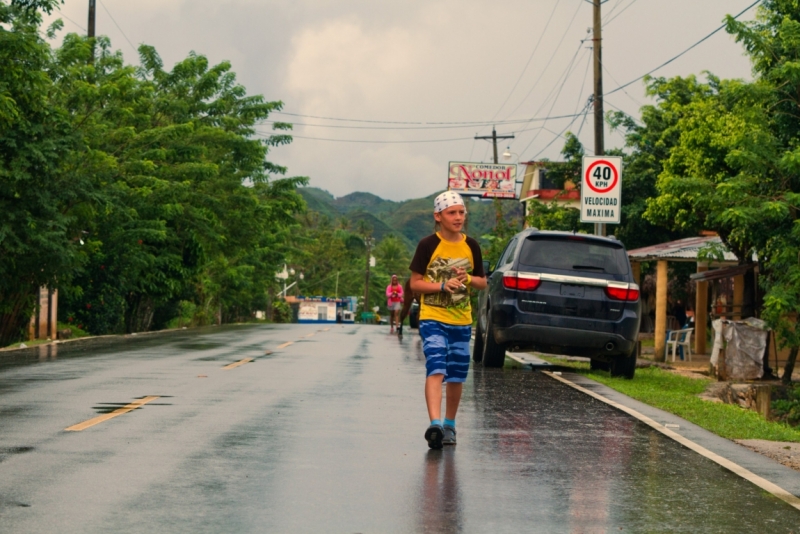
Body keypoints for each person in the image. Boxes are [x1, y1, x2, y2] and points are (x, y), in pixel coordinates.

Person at [409, 191, 487, 449]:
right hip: (432, 317)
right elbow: (415, 284)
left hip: (462, 321)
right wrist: (442, 286)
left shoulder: (471, 245)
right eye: (452, 212)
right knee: (437, 365)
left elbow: (482, 283)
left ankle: (450, 425)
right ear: (438, 216)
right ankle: (435, 424)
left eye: (461, 212)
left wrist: (467, 278)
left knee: (456, 374)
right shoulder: (427, 245)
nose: (458, 217)